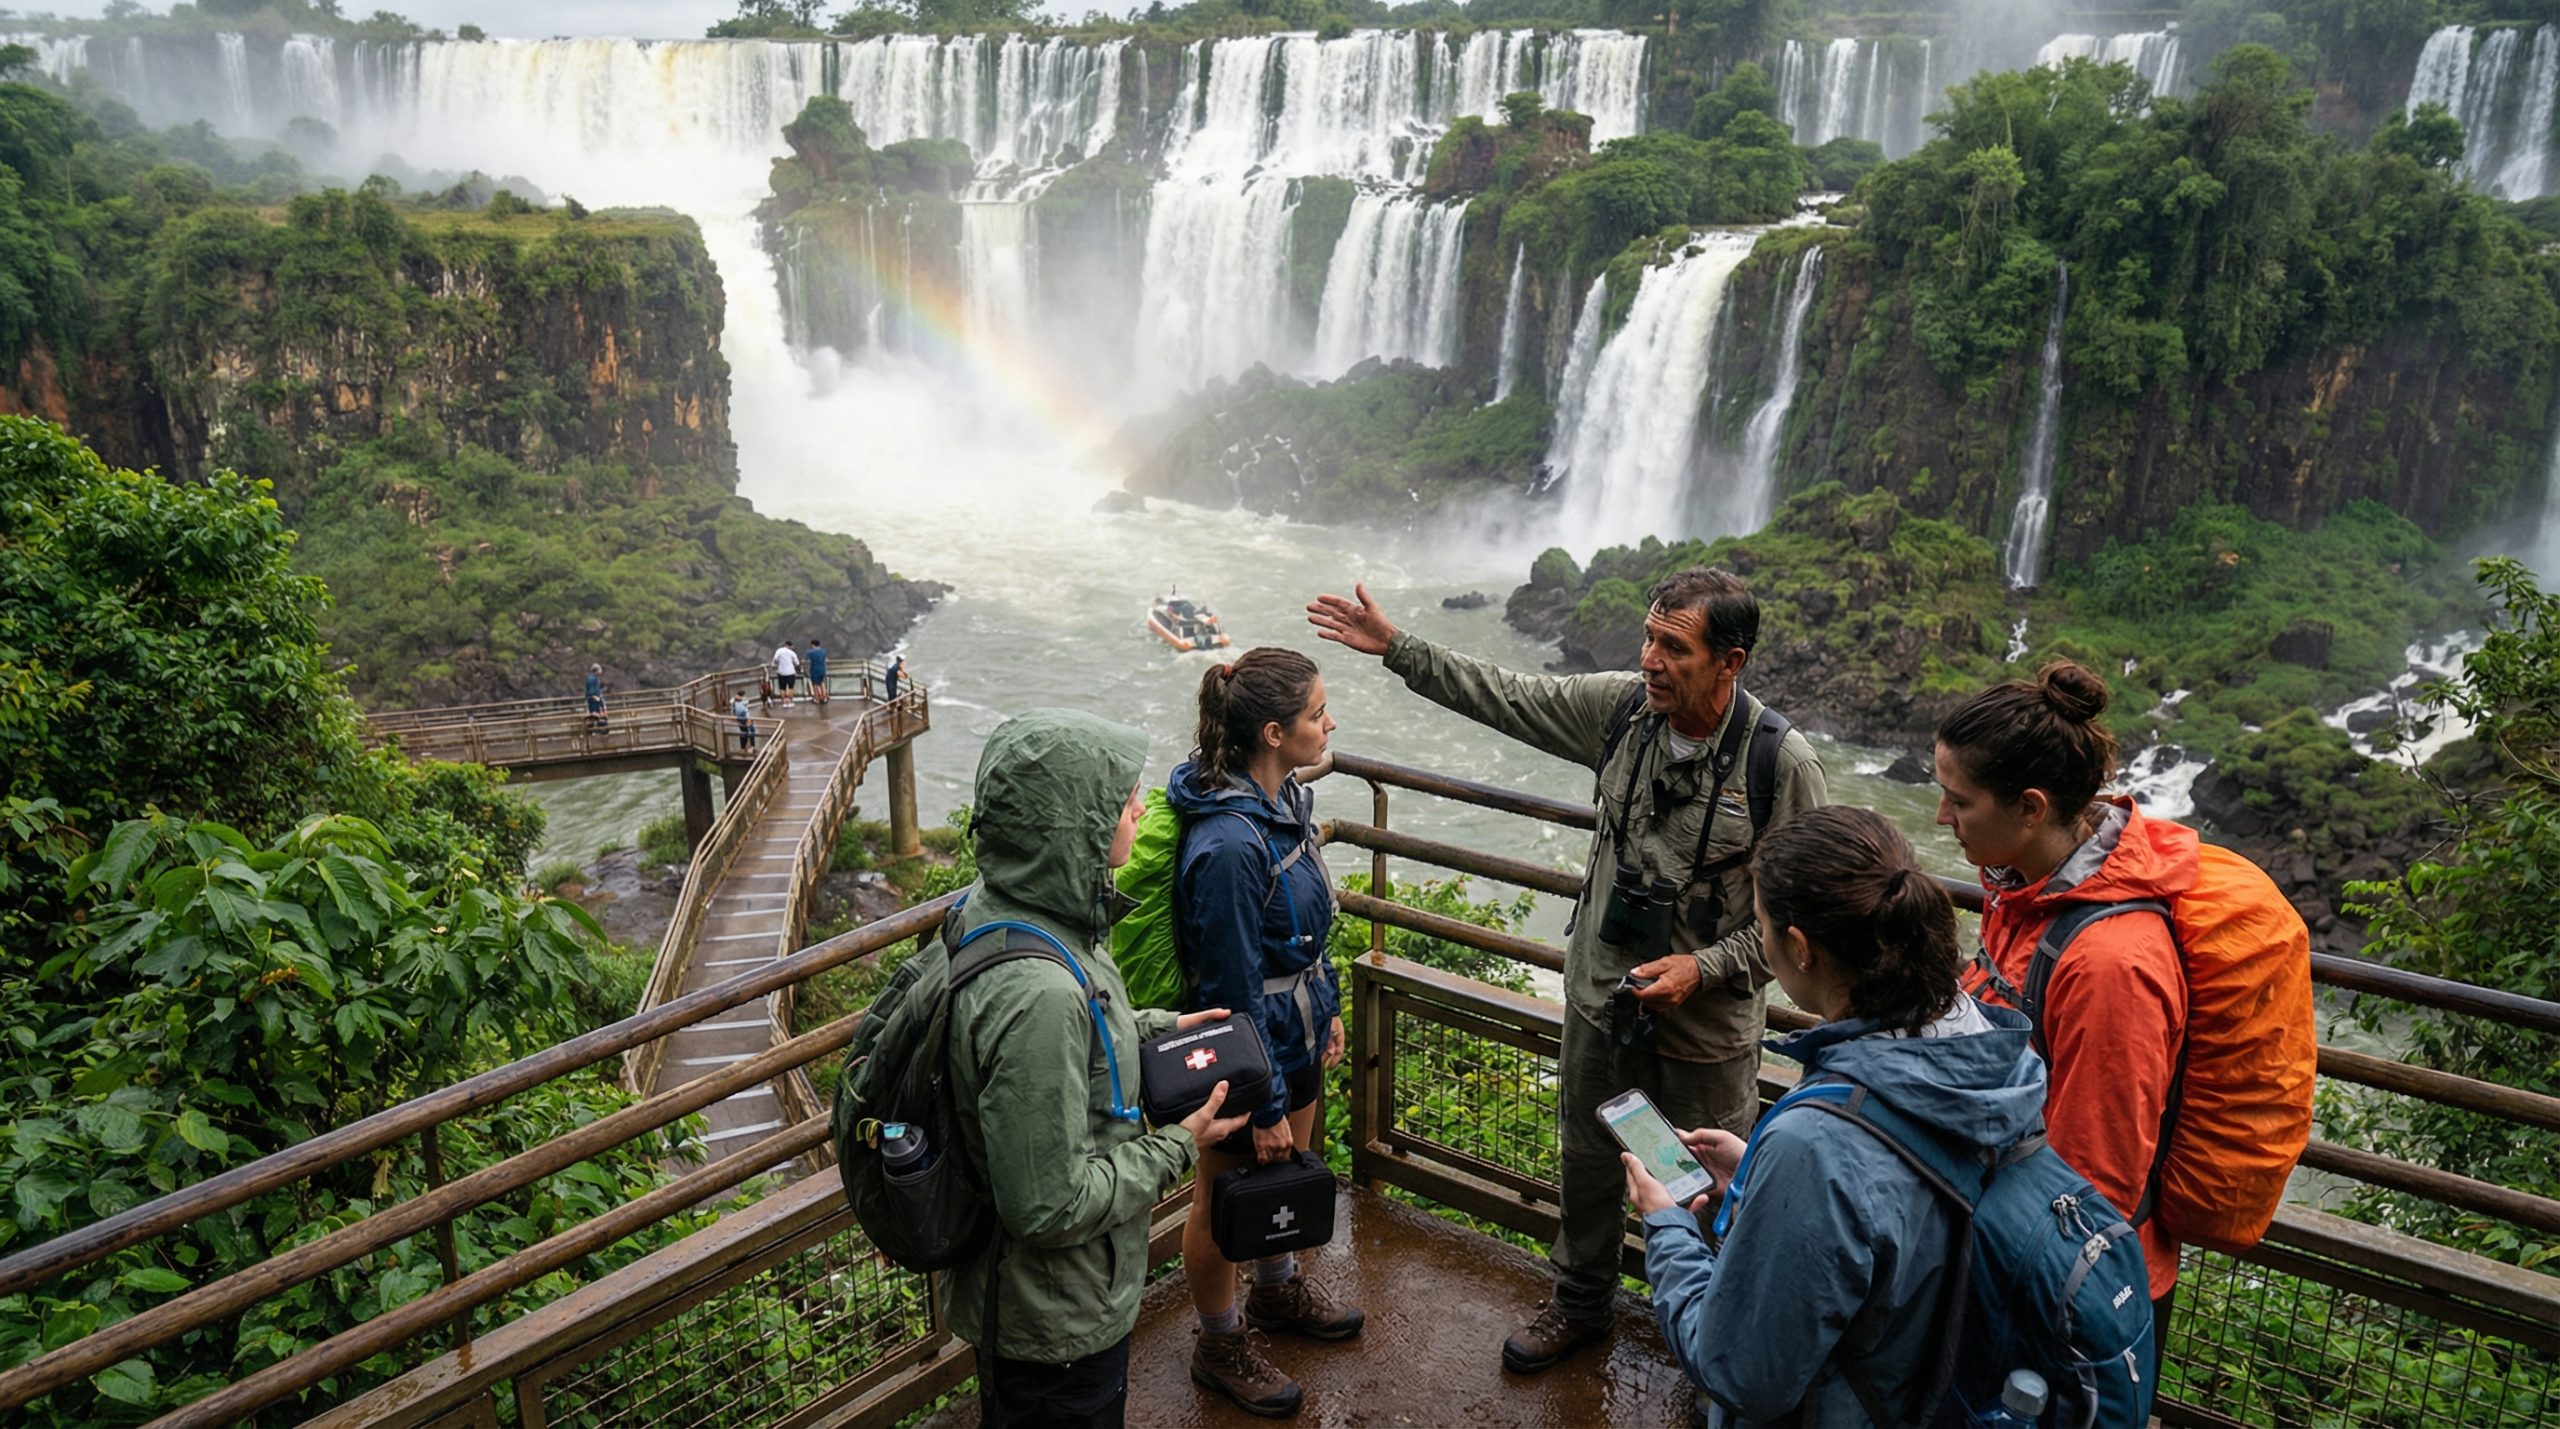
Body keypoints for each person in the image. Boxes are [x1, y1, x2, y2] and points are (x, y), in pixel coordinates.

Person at [1308, 568, 1827, 1372]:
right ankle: (1579, 1302)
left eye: (1673, 647)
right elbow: (1506, 694)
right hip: (1602, 998)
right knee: (1587, 1158)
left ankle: (1713, 1341)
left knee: (1704, 1177)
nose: (1650, 659)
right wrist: (1396, 648)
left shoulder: (1777, 764)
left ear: (1731, 661)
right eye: (1648, 637)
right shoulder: (1622, 710)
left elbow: (1807, 920)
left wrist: (1705, 965)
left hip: (1706, 1030)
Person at [1627, 806, 2055, 1426]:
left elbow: (1743, 1374)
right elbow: (1906, 1207)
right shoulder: (1989, 1051)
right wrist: (1760, 1179)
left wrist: (1668, 1227)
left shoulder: (1817, 1145)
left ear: (1799, 949)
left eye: (1764, 925)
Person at [944, 708, 1254, 1428]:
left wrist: (1157, 1026)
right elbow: (1047, 1205)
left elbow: (1077, 1033)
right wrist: (1183, 1140)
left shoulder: (1024, 913)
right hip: (1053, 1317)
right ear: (1070, 826)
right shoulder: (1040, 991)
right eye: (1122, 799)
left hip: (1043, 1298)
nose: (1142, 807)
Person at [1935, 660, 2188, 1348]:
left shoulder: (2111, 963)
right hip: (2009, 1244)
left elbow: (2091, 1178)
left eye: (1959, 800)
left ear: (2031, 807)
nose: (1941, 816)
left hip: (2072, 1286)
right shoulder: (2022, 888)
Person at [1168, 649, 1357, 1417]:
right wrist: (1267, 1098)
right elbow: (1229, 990)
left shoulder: (1285, 803)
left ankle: (1275, 1294)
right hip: (1248, 1054)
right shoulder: (1228, 846)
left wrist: (1331, 1002)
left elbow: (1308, 928)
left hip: (1298, 1029)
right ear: (1274, 732)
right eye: (1318, 713)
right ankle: (1218, 1342)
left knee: (1288, 1172)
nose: (1330, 722)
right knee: (1220, 1202)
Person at [774, 640, 800, 705]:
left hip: (781, 672)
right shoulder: (792, 653)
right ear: (790, 646)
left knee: (782, 688)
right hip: (790, 672)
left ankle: (784, 702)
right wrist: (798, 670)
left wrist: (779, 663)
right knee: (791, 687)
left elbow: (775, 659)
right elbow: (797, 663)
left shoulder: (779, 651)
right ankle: (789, 701)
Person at [583, 663, 606, 732]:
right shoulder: (593, 679)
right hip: (594, 699)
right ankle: (597, 730)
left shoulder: (590, 678)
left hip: (591, 699)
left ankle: (594, 729)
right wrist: (596, 697)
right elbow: (592, 690)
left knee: (594, 715)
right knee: (596, 715)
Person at [806, 638, 829, 707]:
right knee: (822, 683)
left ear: (812, 644)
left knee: (815, 684)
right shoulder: (823, 651)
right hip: (822, 669)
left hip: (814, 669)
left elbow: (807, 659)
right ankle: (824, 698)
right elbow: (825, 659)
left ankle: (817, 699)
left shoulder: (810, 652)